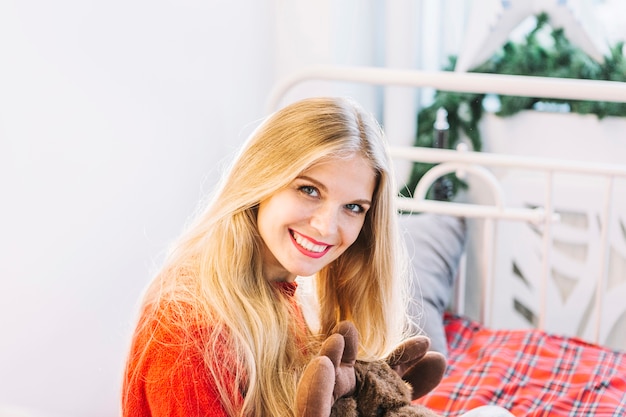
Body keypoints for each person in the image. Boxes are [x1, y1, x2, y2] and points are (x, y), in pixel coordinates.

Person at [121, 96, 412, 416]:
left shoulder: (281, 290)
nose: (327, 228)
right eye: (309, 190)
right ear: (262, 180)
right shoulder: (191, 332)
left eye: (353, 207)